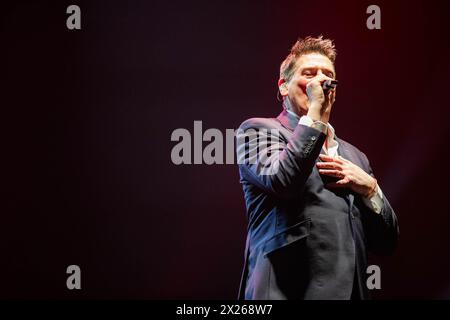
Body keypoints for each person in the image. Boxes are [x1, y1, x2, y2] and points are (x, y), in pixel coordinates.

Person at [236, 36, 399, 300]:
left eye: (328, 75)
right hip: (287, 291)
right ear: (284, 86)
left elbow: (386, 243)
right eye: (309, 74)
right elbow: (284, 180)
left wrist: (371, 189)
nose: (321, 81)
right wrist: (315, 113)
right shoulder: (258, 131)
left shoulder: (356, 157)